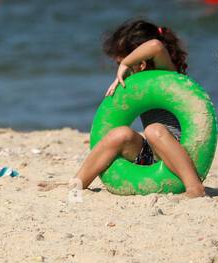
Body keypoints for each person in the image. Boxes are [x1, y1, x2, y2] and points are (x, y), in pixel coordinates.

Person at [70, 19, 205, 197]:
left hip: (182, 153)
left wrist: (126, 63)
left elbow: (156, 45)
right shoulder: (134, 82)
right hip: (151, 156)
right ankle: (76, 185)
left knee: (153, 130)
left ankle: (194, 188)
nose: (121, 68)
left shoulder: (166, 72)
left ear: (140, 59)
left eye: (123, 62)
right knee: (120, 134)